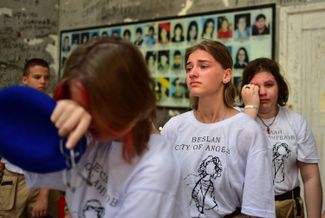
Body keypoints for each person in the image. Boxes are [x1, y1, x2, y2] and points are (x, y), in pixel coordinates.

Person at [22, 37, 189, 217]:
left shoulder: (156, 167)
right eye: (78, 106)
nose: (86, 117)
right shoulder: (96, 138)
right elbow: (32, 162)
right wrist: (52, 123)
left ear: (125, 99)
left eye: (92, 106)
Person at [161, 40, 275, 217]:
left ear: (226, 75)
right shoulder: (174, 127)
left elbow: (258, 208)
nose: (193, 73)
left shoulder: (247, 130)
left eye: (203, 66)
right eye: (189, 68)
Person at [241, 58, 322, 218]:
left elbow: (310, 177)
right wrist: (250, 109)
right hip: (247, 210)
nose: (262, 92)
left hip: (288, 208)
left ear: (279, 87)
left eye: (269, 85)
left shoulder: (296, 122)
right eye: (255, 87)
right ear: (245, 90)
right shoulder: (237, 119)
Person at [0, 58, 62, 218]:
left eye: (46, 78)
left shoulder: (53, 109)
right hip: (13, 180)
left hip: (43, 181)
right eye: (37, 77)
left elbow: (55, 156)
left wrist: (44, 194)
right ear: (24, 79)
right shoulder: (10, 105)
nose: (43, 82)